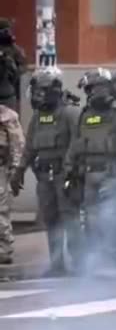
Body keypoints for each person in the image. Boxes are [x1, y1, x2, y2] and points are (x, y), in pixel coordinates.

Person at [65, 68, 116, 272]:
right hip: (88, 174)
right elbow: (76, 144)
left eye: (98, 88)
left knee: (111, 219)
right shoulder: (85, 114)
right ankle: (99, 262)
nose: (94, 93)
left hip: (111, 174)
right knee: (92, 221)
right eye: (91, 89)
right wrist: (70, 169)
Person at [15, 68, 80, 275]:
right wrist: (20, 170)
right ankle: (57, 264)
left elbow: (77, 144)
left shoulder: (70, 113)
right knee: (51, 220)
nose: (38, 96)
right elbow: (30, 147)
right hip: (44, 178)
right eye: (36, 93)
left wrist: (71, 172)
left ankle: (79, 263)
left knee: (70, 219)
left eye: (42, 92)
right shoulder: (37, 117)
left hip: (65, 175)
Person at [0, 101, 24, 266]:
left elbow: (17, 143)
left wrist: (16, 169)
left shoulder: (6, 115)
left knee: (1, 211)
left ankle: (3, 250)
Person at [0, 18, 26, 112]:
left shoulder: (15, 49)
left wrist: (12, 69)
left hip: (9, 94)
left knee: (10, 121)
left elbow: (23, 67)